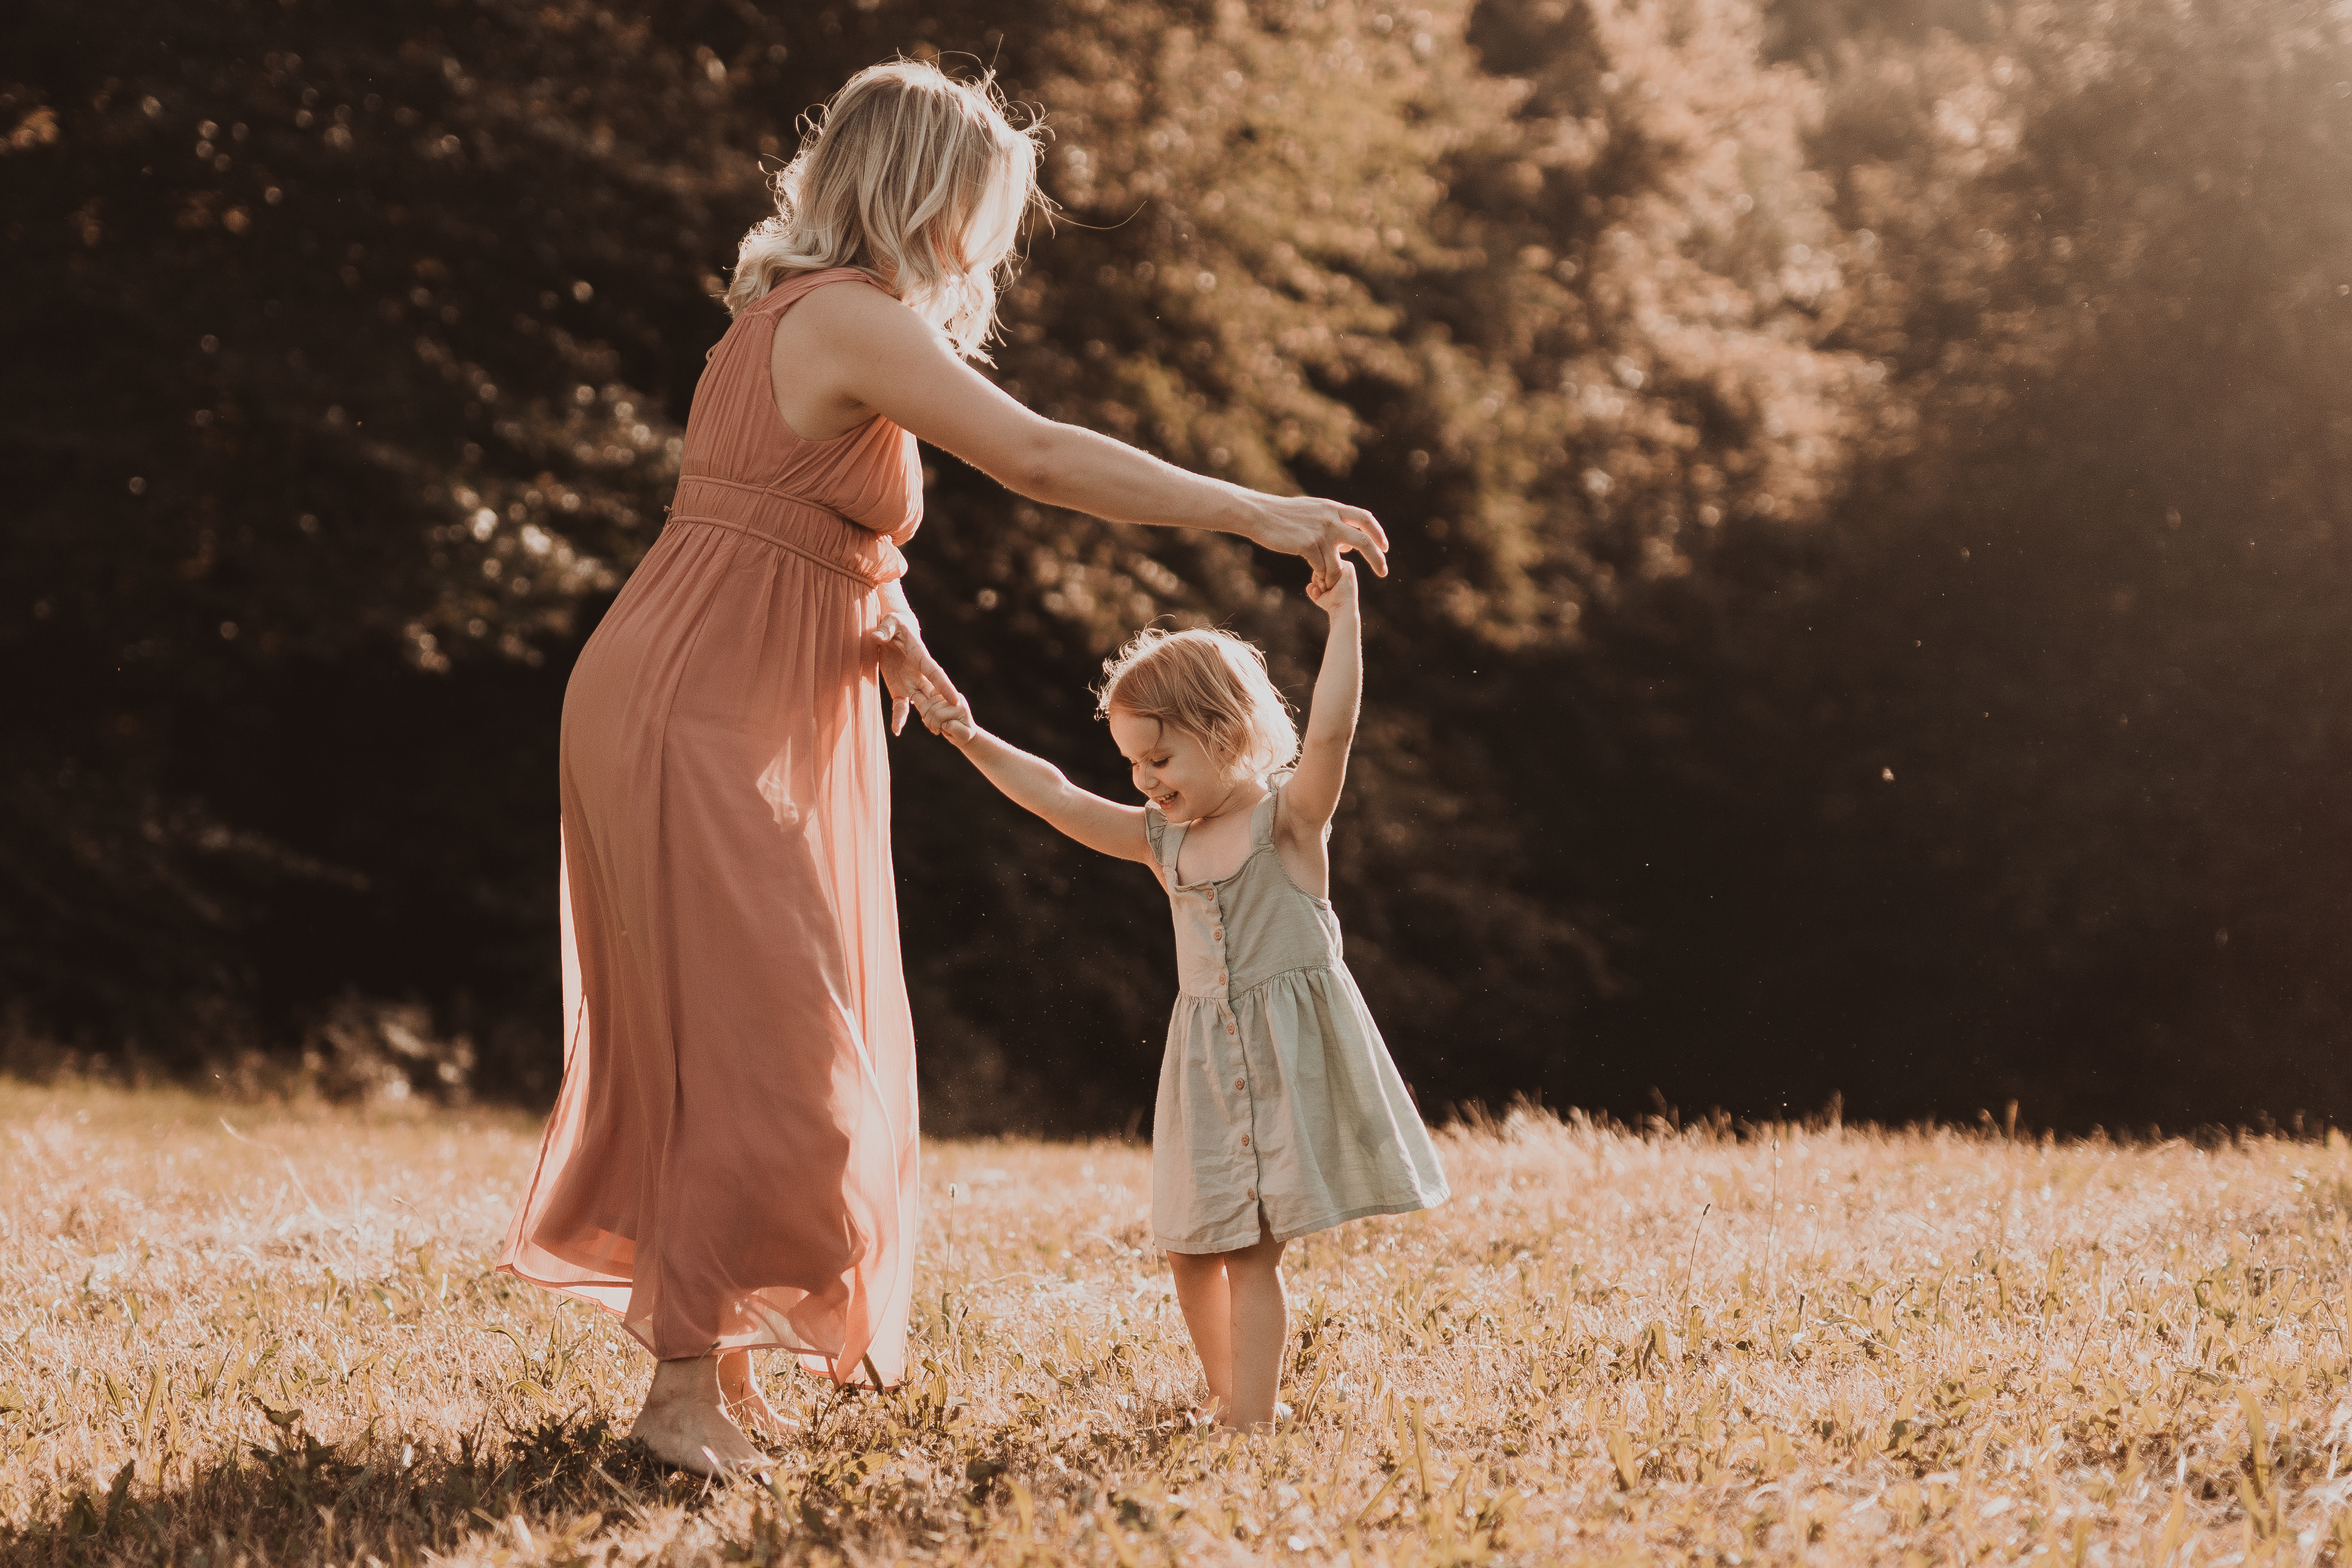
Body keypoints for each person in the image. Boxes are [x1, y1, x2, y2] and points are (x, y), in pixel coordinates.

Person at [494, 58, 1391, 1477]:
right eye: (984, 206)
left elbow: (783, 512)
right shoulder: (843, 315)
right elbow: (1033, 456)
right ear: (922, 190)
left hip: (709, 683)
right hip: (702, 704)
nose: (991, 242)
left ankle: (713, 1375)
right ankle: (678, 1397)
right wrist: (1263, 513)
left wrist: (887, 620)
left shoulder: (777, 320)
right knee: (761, 1045)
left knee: (736, 1031)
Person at [899, 559, 1448, 1430]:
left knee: (1251, 1252)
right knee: (1192, 1249)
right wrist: (966, 733)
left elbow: (1335, 735)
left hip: (1280, 1065)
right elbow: (1056, 798)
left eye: (1160, 756)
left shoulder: (1289, 822)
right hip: (1204, 1065)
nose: (1144, 779)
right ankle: (1225, 1393)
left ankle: (1253, 1418)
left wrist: (1345, 617)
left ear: (1226, 730)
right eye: (1132, 762)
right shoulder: (1163, 840)